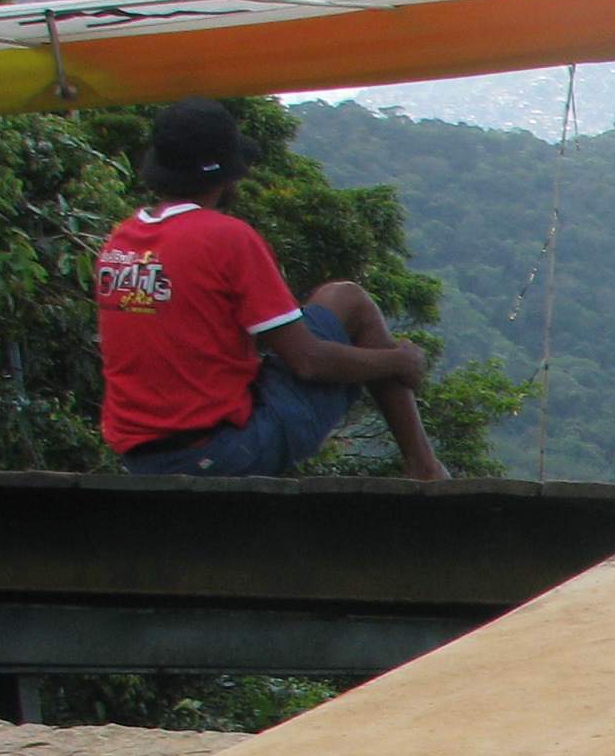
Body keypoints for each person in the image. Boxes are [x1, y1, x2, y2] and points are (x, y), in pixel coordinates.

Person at [94, 98, 447, 480]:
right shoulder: (225, 238)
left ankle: (424, 466)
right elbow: (308, 362)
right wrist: (399, 361)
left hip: (141, 455)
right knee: (351, 302)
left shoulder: (120, 241)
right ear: (228, 175)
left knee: (335, 304)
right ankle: (424, 466)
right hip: (220, 453)